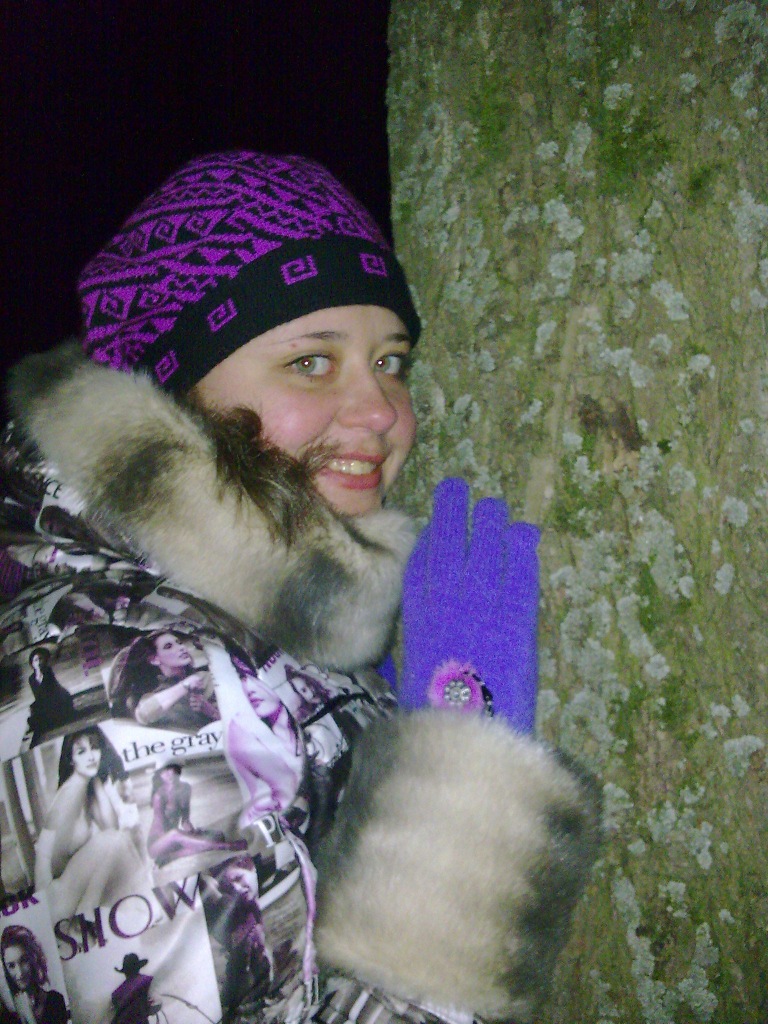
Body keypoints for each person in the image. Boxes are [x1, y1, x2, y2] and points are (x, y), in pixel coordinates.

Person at [1, 152, 599, 1024]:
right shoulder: (123, 686)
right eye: (312, 362)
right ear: (168, 388)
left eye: (391, 360)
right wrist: (462, 785)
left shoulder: (261, 621)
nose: (382, 410)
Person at [33, 725, 149, 920]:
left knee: (117, 841)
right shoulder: (70, 793)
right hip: (53, 898)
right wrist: (95, 869)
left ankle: (132, 907)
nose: (91, 757)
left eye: (94, 748)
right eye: (81, 752)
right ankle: (93, 910)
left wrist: (97, 783)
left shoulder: (87, 787)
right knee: (113, 843)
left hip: (70, 888)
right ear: (71, 760)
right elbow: (55, 866)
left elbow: (112, 826)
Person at [108, 629, 219, 730]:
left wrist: (210, 711)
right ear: (154, 659)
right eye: (168, 646)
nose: (181, 648)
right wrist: (184, 686)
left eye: (179, 643)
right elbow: (143, 714)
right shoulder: (157, 693)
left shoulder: (207, 678)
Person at [147, 762, 246, 867]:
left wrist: (193, 833)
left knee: (217, 836)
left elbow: (185, 820)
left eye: (171, 769)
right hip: (158, 842)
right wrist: (184, 839)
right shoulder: (159, 796)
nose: (169, 774)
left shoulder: (185, 788)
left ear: (177, 770)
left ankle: (172, 856)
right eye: (165, 771)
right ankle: (227, 846)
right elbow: (160, 825)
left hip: (175, 837)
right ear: (160, 775)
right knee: (175, 834)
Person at [0, 925, 67, 1024]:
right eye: (11, 966)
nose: (19, 973)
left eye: (24, 961)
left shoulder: (55, 1001)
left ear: (33, 958)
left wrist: (29, 1016)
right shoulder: (7, 1015)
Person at [25, 647, 77, 747]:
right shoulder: (31, 679)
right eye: (36, 660)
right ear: (32, 663)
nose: (38, 662)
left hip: (56, 697)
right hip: (43, 699)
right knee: (33, 708)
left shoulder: (48, 672)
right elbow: (37, 694)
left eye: (40, 659)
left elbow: (53, 690)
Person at [110, 953, 160, 1024]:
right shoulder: (146, 981)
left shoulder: (116, 993)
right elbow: (153, 1005)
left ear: (125, 972)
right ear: (138, 968)